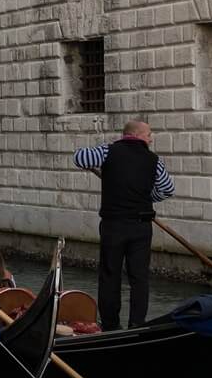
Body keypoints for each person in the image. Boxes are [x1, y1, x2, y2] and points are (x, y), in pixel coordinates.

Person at [73, 120, 175, 331]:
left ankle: (111, 326)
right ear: (136, 134)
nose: (151, 138)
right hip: (141, 226)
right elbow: (167, 189)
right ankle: (137, 324)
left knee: (110, 275)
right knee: (139, 278)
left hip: (114, 225)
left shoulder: (108, 151)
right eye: (149, 134)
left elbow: (79, 158)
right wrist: (146, 197)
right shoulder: (153, 160)